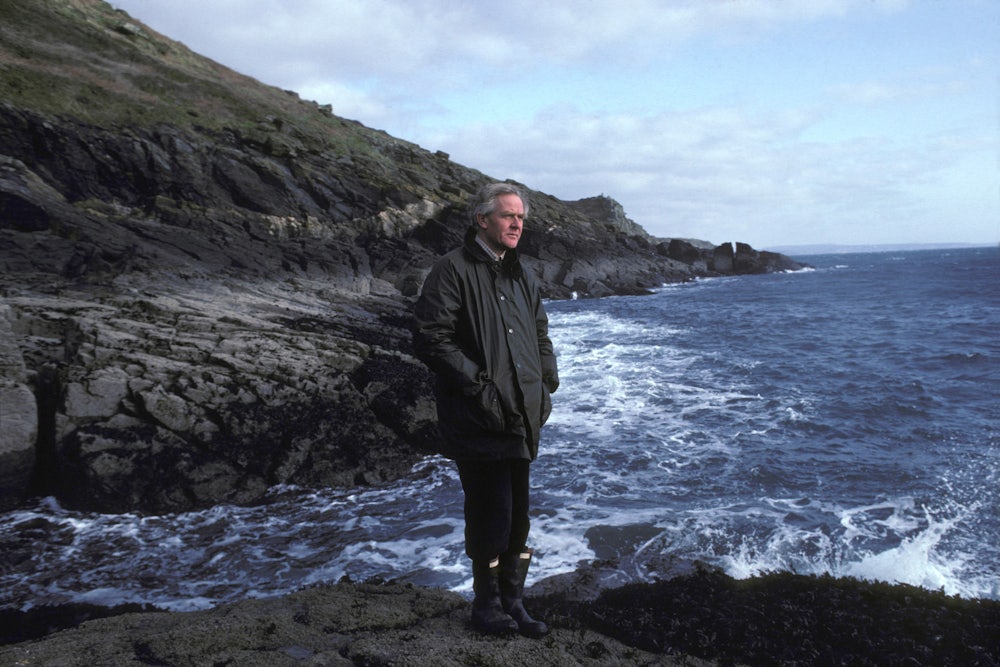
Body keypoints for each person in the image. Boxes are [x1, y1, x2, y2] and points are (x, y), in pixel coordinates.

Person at [413, 182, 559, 637]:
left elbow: (540, 335)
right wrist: (482, 390)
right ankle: (486, 604)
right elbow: (431, 338)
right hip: (478, 417)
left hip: (521, 415)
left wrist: (546, 383)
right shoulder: (452, 269)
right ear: (482, 220)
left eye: (521, 218)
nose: (517, 224)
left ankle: (514, 602)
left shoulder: (521, 274)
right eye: (508, 216)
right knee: (489, 514)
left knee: (519, 518)